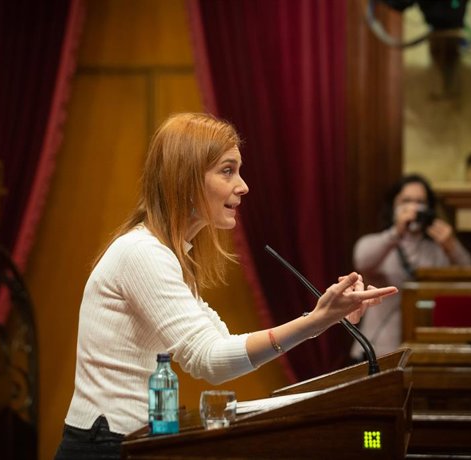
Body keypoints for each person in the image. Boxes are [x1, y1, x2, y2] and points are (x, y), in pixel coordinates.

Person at [54, 113, 398, 459]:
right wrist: (316, 321)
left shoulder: (166, 255)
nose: (243, 185)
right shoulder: (142, 254)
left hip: (126, 441)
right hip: (105, 446)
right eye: (227, 170)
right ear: (185, 179)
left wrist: (320, 318)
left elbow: (221, 349)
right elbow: (210, 361)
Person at [350, 173, 471, 361]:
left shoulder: (437, 249)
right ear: (393, 206)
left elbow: (468, 276)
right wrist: (396, 232)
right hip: (378, 350)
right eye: (406, 201)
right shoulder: (379, 243)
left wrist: (452, 246)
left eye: (420, 202)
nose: (414, 208)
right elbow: (363, 261)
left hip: (424, 352)